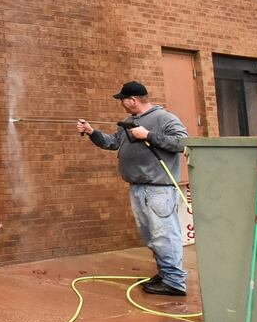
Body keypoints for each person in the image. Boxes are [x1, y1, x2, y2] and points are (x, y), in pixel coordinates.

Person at [77, 80, 190, 296]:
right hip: (137, 187)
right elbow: (112, 143)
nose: (121, 104)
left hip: (158, 189)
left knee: (164, 234)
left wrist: (148, 135)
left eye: (123, 100)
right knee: (151, 236)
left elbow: (182, 143)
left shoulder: (164, 118)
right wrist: (92, 132)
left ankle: (175, 282)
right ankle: (166, 274)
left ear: (133, 100)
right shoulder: (129, 121)